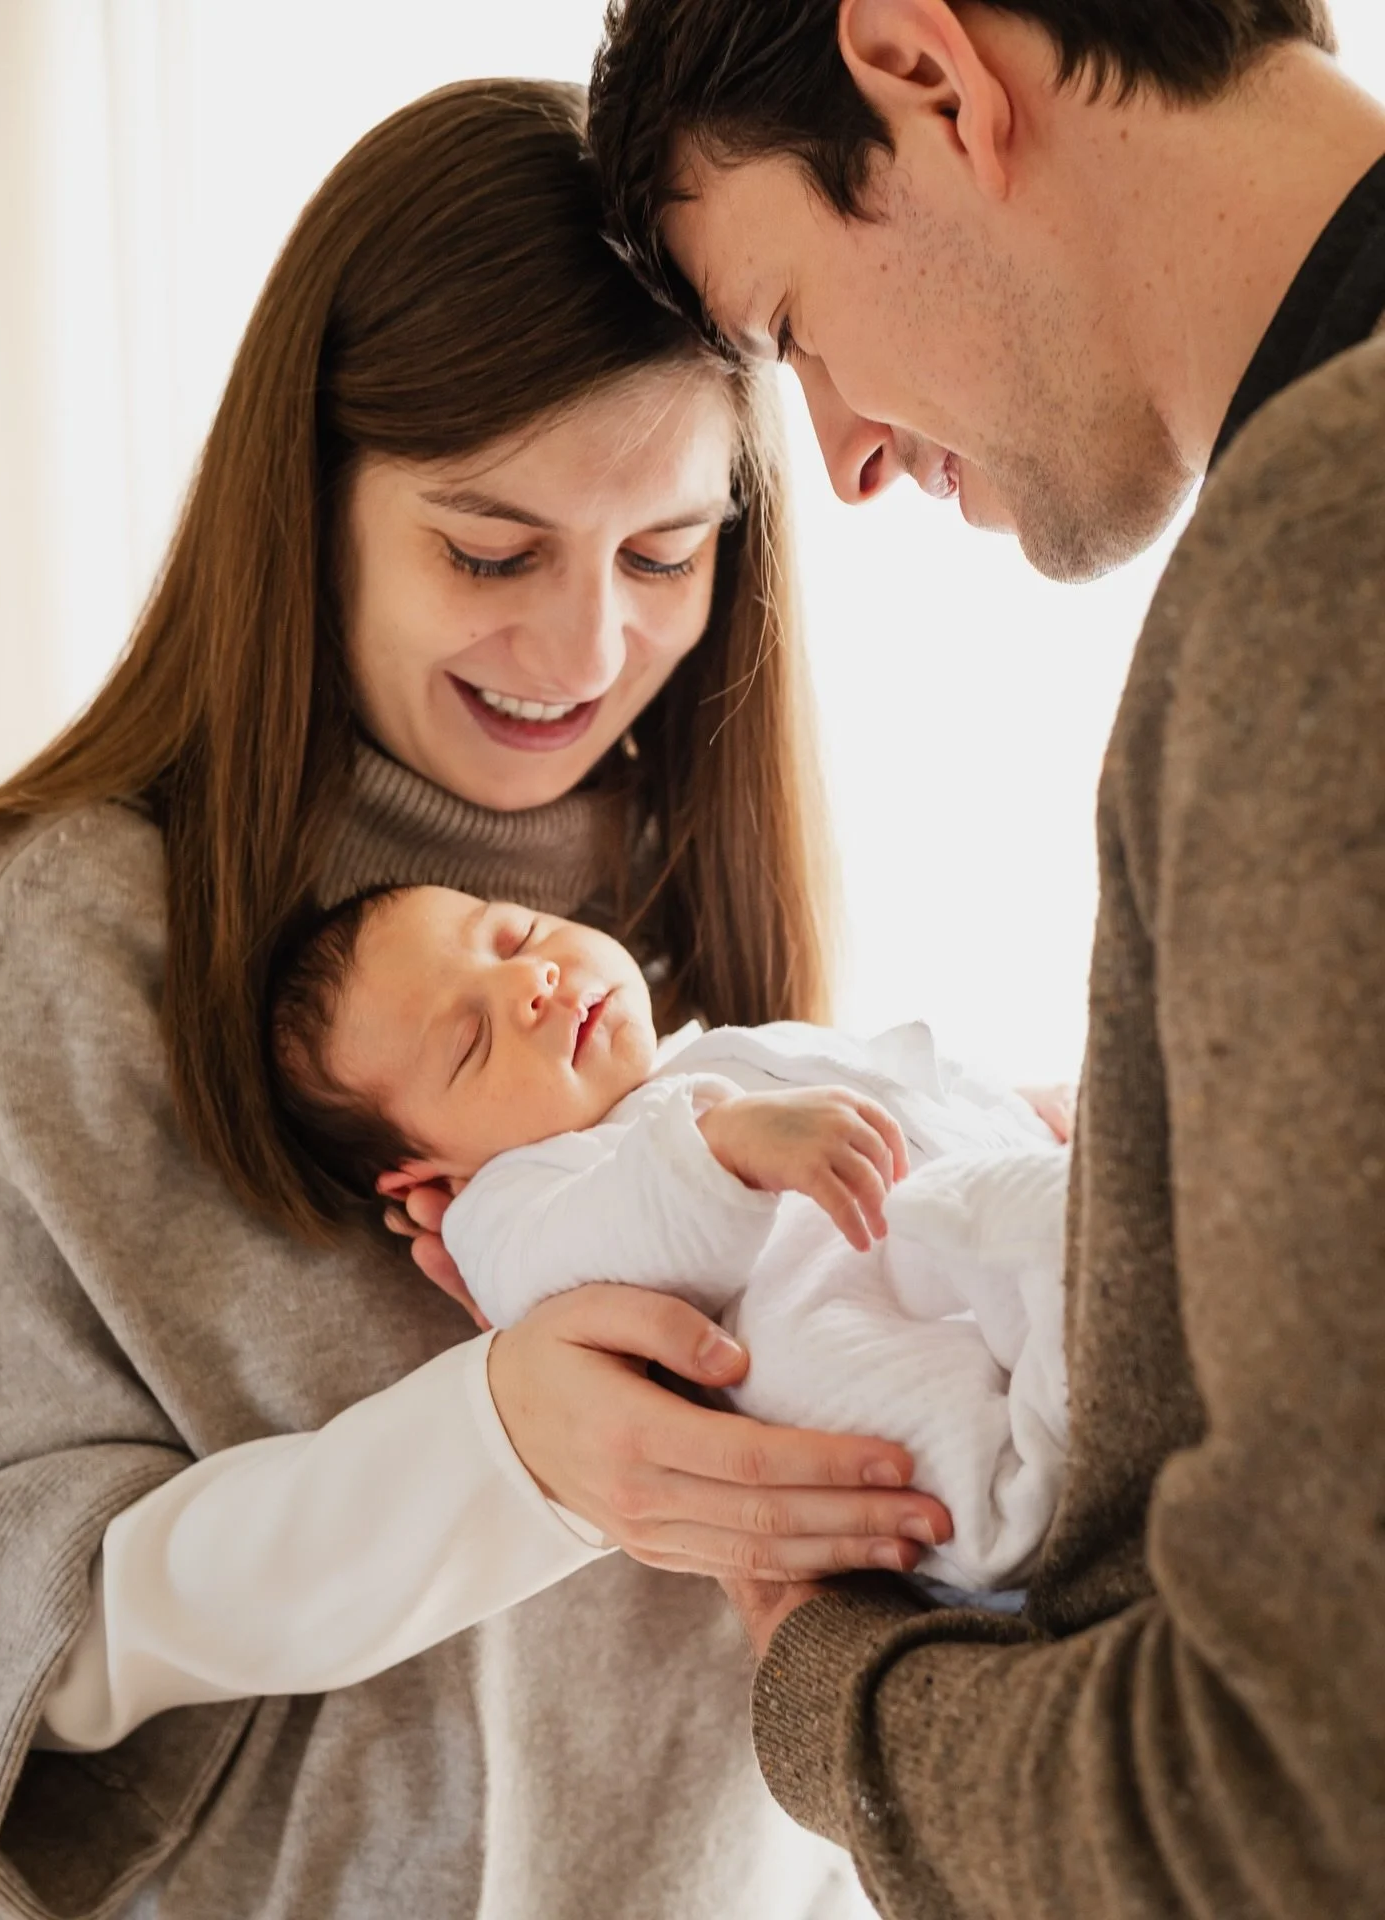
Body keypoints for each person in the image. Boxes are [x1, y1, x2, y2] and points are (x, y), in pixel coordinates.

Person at [0, 79, 953, 1920]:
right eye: (490, 552)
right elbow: (7, 1644)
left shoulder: (692, 882)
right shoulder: (66, 941)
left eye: (665, 555)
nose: (585, 654)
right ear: (308, 499)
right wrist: (502, 1453)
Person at [587, 1, 1385, 1916]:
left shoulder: (1326, 557)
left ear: (929, 77)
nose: (846, 463)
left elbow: (1292, 1805)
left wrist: (823, 1688)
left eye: (791, 329)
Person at [262, 880, 1071, 1595]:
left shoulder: (709, 1052)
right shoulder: (503, 1208)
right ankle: (1038, 1477)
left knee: (1028, 1216)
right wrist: (719, 1153)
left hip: (945, 1254)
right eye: (471, 1040)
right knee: (995, 1409)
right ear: (426, 1174)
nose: (530, 983)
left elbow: (895, 1075)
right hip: (851, 1350)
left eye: (516, 937)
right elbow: (602, 1238)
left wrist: (1009, 1109)